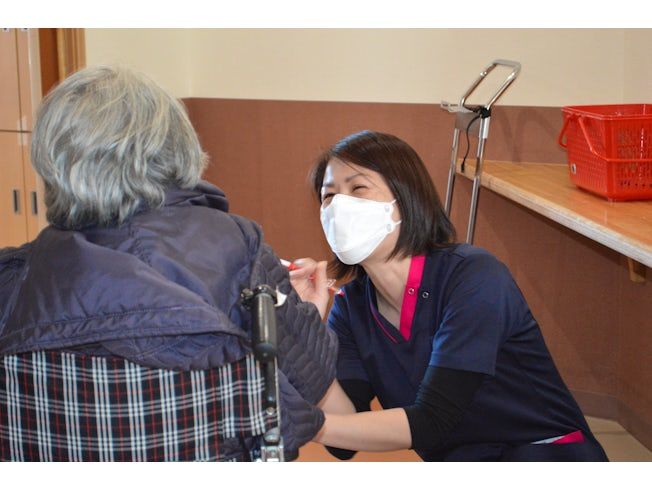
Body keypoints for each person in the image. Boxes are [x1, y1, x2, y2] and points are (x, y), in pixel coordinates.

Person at [0, 66, 337, 461]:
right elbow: (310, 383)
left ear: (52, 162)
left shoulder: (11, 283)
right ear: (177, 146)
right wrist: (308, 314)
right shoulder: (239, 251)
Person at [289, 130, 608, 461]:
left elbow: (432, 421)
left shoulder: (474, 277)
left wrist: (305, 425)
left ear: (406, 199)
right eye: (329, 196)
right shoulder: (351, 306)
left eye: (357, 189)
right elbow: (343, 439)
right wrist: (305, 329)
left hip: (546, 456)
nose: (339, 207)